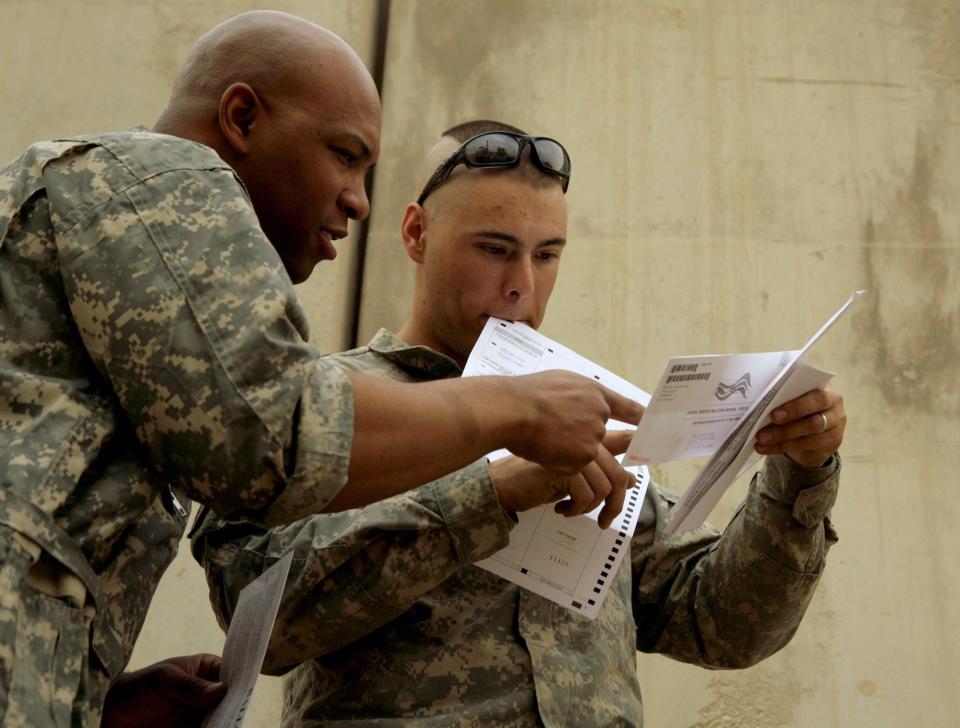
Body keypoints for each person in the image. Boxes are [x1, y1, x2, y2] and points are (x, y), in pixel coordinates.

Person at [0, 12, 640, 726]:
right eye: (344, 154)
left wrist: (104, 702)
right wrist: (515, 418)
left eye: (547, 254)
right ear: (241, 116)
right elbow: (276, 439)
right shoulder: (160, 177)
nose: (357, 201)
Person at [192, 120, 847, 727]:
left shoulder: (582, 408)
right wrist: (495, 490)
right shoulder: (317, 400)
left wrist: (800, 472)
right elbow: (263, 624)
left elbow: (720, 622)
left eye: (547, 254)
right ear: (416, 233)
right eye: (495, 249)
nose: (522, 286)